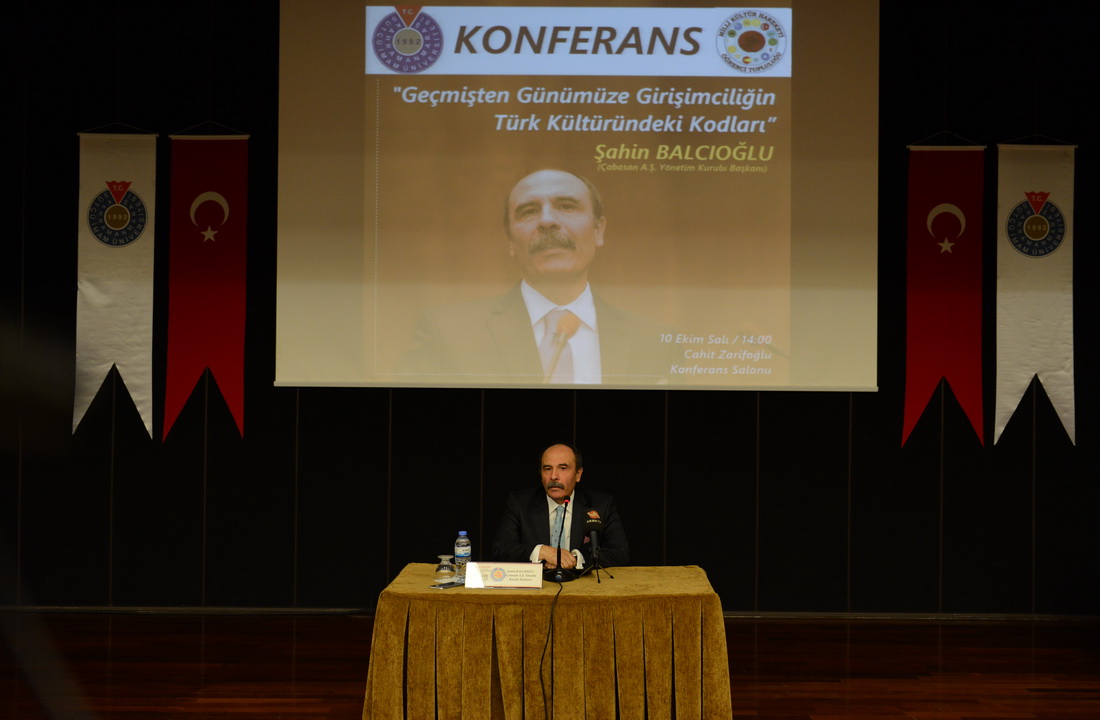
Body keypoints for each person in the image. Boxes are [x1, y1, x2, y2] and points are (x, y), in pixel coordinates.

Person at [395, 169, 675, 385]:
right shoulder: (446, 334)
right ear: (510, 240)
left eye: (567, 206)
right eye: (529, 212)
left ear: (598, 230)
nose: (547, 221)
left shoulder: (655, 341)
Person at [491, 443, 629, 570]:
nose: (553, 476)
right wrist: (542, 552)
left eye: (562, 468)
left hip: (582, 584)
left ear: (578, 474)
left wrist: (573, 560)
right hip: (539, 585)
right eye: (547, 469)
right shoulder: (520, 503)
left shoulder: (600, 504)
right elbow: (500, 550)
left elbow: (619, 553)